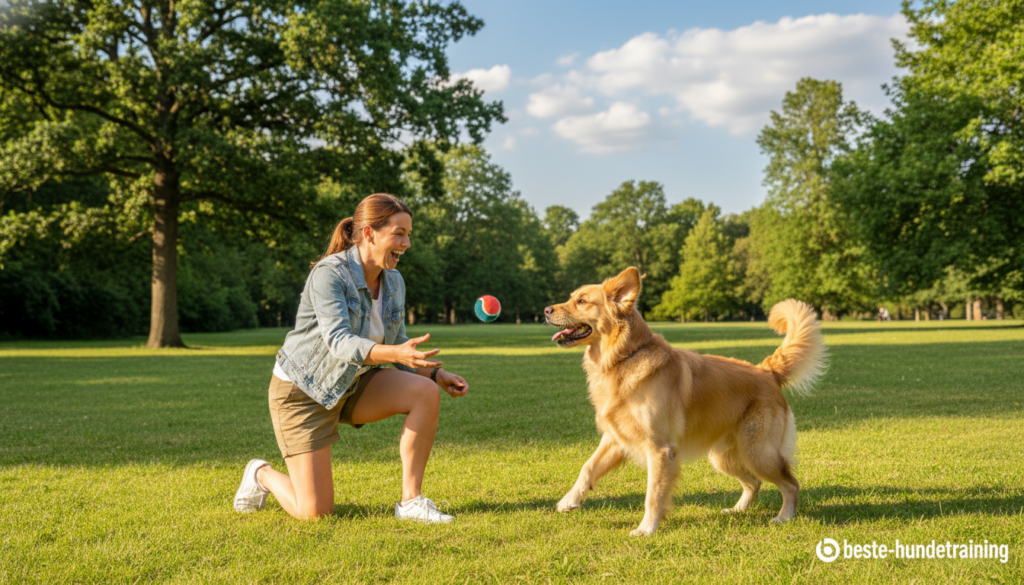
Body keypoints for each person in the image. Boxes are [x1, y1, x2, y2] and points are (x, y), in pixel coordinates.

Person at [234, 193, 468, 523]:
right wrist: (395, 353)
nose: (407, 243)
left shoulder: (395, 282)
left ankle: (411, 502)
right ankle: (261, 474)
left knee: (424, 393)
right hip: (302, 393)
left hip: (351, 383)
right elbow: (339, 342)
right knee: (315, 513)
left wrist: (436, 375)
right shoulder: (330, 274)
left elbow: (396, 343)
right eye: (399, 233)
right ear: (369, 233)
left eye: (409, 234)